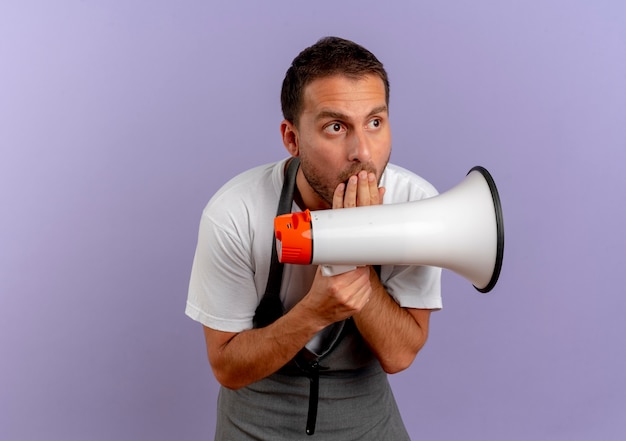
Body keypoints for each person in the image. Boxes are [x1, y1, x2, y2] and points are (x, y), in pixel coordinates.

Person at [186, 36, 442, 440]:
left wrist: (352, 251)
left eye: (375, 123)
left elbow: (399, 353)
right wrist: (315, 312)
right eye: (336, 127)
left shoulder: (418, 205)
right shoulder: (235, 212)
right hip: (254, 420)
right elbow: (227, 368)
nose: (363, 151)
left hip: (365, 418)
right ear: (292, 139)